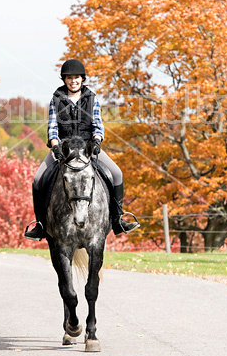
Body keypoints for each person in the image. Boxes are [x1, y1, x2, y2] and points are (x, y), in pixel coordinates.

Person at [24, 59, 140, 240]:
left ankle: (118, 219)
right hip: (63, 149)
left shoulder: (92, 99)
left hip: (88, 147)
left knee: (117, 174)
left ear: (82, 79)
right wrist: (55, 146)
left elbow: (98, 125)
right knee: (38, 178)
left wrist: (97, 141)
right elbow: (52, 127)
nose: (73, 81)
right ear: (64, 80)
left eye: (76, 77)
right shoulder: (56, 99)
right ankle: (40, 224)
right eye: (69, 78)